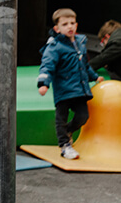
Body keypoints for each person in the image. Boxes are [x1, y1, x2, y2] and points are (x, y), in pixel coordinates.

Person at [37, 9, 104, 160]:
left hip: (79, 89)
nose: (70, 27)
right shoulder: (55, 46)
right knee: (61, 116)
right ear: (57, 28)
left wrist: (94, 77)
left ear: (76, 24)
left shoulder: (80, 43)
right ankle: (64, 145)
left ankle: (68, 130)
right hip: (63, 89)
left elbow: (85, 65)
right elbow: (47, 65)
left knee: (83, 116)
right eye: (65, 24)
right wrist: (44, 83)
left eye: (72, 23)